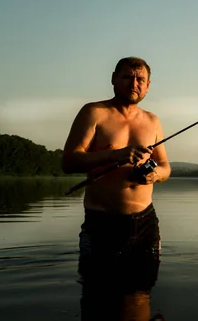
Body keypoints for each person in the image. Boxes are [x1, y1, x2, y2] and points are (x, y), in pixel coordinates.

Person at [61, 56, 171, 320]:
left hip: (145, 223)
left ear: (147, 86)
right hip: (102, 223)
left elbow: (166, 167)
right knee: (96, 296)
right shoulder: (94, 112)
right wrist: (113, 155)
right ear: (114, 78)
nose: (133, 83)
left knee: (140, 294)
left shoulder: (153, 121)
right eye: (127, 77)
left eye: (140, 79)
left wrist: (155, 175)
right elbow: (69, 161)